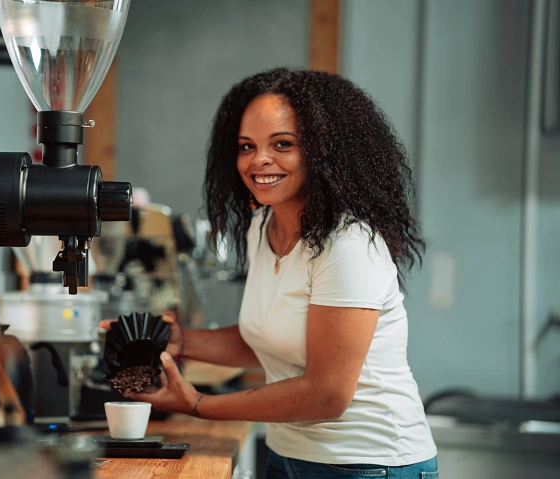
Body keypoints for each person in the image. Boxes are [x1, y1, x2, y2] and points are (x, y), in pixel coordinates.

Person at [102, 68, 438, 478]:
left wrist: (196, 404)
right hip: (288, 457)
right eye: (247, 146)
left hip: (370, 465)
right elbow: (266, 340)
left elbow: (327, 394)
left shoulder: (347, 245)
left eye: (283, 144)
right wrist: (177, 340)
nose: (259, 160)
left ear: (324, 151)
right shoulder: (263, 227)